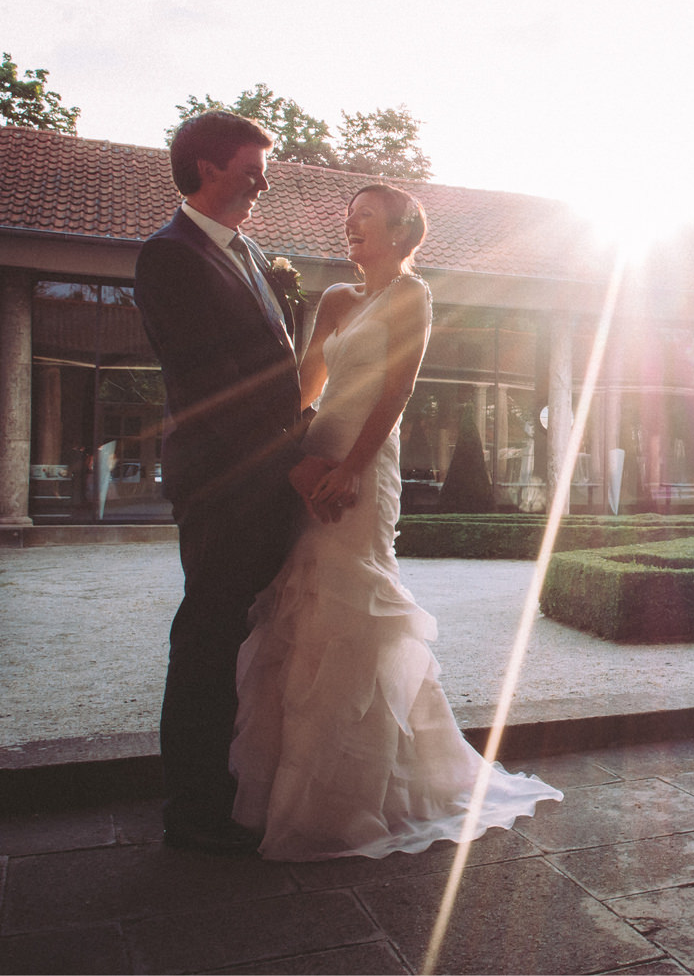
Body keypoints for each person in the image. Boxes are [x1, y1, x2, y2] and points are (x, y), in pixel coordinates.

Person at [229, 184, 561, 861]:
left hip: (365, 461)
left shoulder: (413, 297)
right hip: (318, 449)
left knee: (354, 607)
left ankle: (354, 795)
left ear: (404, 232)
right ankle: (287, 791)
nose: (351, 226)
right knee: (301, 600)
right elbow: (305, 387)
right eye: (348, 216)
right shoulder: (333, 301)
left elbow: (397, 389)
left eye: (368, 218)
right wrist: (294, 459)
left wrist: (351, 467)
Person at [135, 111, 335, 854]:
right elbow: (210, 385)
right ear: (209, 167)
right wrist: (295, 457)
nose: (264, 183)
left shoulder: (248, 252)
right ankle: (193, 812)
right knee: (208, 641)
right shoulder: (169, 257)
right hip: (222, 486)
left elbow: (275, 376)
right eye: (253, 170)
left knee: (252, 637)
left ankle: (243, 784)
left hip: (268, 482)